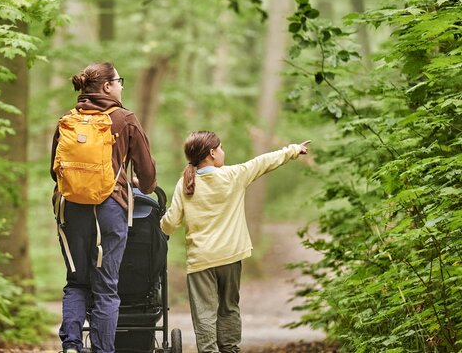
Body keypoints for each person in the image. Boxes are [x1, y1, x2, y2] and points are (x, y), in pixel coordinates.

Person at [160, 131, 310, 353]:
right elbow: (263, 162)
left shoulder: (185, 184)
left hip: (201, 259)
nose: (223, 152)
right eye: (220, 148)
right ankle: (230, 349)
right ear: (211, 153)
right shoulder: (233, 175)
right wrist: (293, 150)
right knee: (229, 307)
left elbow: (170, 223)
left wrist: (160, 222)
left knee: (204, 313)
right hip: (230, 255)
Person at [50, 62, 157, 353]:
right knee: (106, 288)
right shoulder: (124, 119)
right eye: (119, 81)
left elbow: (54, 170)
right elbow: (147, 175)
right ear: (108, 86)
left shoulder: (68, 120)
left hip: (71, 210)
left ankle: (71, 346)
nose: (122, 86)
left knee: (76, 282)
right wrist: (137, 183)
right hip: (110, 209)